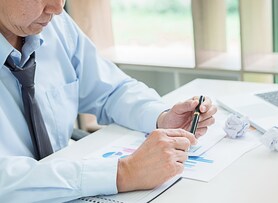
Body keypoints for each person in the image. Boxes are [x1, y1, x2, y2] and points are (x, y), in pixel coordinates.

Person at [0, 0, 217, 202]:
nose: (57, 8)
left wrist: (161, 117)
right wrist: (124, 173)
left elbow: (112, 89)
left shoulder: (55, 26)